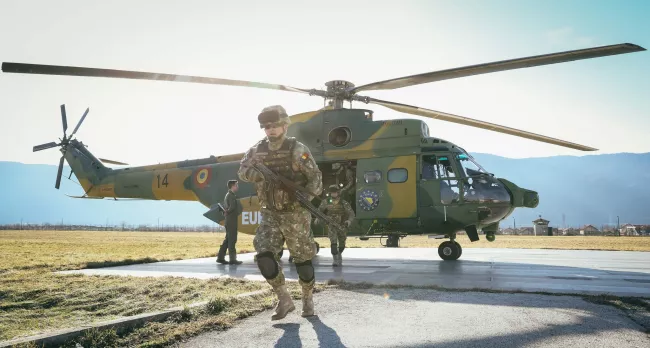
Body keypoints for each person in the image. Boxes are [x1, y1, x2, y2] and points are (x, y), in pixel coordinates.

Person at [237, 105, 323, 320]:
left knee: (303, 261)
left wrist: (304, 198)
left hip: (296, 214)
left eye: (275, 125)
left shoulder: (297, 149)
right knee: (264, 256)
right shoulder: (256, 151)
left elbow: (315, 179)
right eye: (267, 127)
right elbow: (242, 172)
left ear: (285, 125)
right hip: (270, 213)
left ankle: (307, 298)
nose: (271, 130)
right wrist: (259, 174)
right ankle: (284, 298)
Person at [315, 185, 355, 266]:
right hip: (331, 225)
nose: (333, 194)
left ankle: (339, 253)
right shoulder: (326, 201)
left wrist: (349, 221)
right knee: (333, 242)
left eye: (335, 192)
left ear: (338, 193)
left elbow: (351, 213)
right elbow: (319, 211)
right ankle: (335, 259)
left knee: (342, 243)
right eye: (332, 193)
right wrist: (317, 218)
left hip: (342, 225)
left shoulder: (343, 203)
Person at [217, 180, 243, 265]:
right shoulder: (231, 196)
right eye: (236, 185)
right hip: (231, 221)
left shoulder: (228, 195)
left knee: (228, 240)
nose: (237, 187)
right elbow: (232, 207)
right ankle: (232, 259)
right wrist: (228, 211)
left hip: (229, 220)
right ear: (232, 186)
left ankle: (220, 258)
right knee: (232, 240)